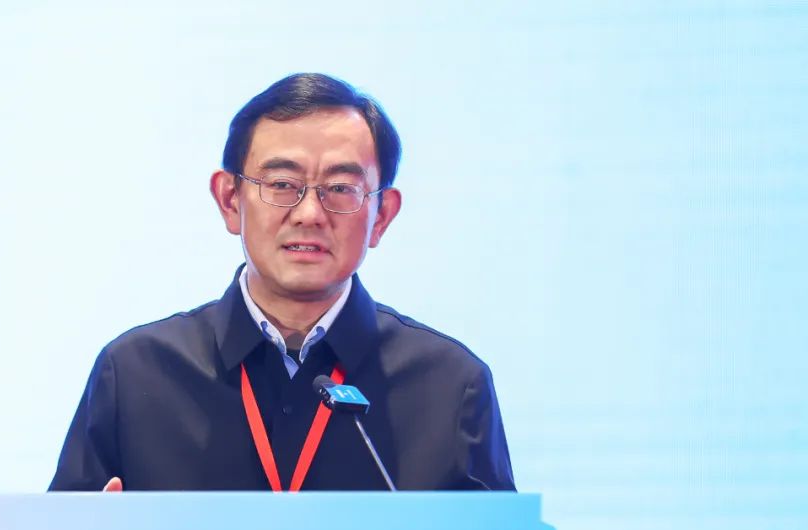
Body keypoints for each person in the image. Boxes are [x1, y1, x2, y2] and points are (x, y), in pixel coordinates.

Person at [49, 73, 514, 493]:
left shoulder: (450, 387)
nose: (309, 214)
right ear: (230, 200)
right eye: (282, 184)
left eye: (341, 189)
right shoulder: (135, 375)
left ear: (381, 216)